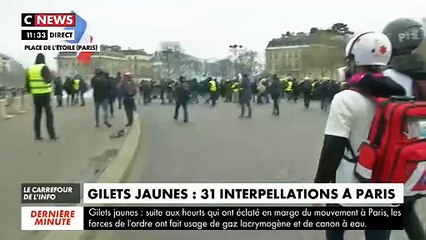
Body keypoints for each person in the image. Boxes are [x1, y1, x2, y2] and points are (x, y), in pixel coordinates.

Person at [314, 32, 405, 240]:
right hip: (386, 179)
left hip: (349, 180)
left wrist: (319, 187)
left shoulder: (345, 98)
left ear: (354, 60)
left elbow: (332, 149)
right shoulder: (400, 94)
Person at [382, 18, 426, 240]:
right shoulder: (423, 69)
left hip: (401, 152)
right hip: (422, 150)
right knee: (406, 208)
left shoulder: (390, 76)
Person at [25, 53, 58, 140]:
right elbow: (47, 80)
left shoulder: (30, 69)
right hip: (45, 95)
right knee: (49, 115)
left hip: (36, 95)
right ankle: (52, 135)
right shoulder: (44, 67)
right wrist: (51, 76)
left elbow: (27, 85)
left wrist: (32, 91)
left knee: (37, 115)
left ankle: (37, 135)